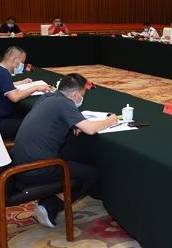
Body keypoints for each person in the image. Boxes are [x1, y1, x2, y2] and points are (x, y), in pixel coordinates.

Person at [13, 73, 116, 228]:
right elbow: (90, 129)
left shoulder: (46, 97)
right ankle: (50, 205)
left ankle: (49, 200)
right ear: (74, 94)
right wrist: (110, 120)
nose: (82, 98)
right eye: (82, 95)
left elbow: (50, 120)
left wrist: (74, 123)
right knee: (90, 174)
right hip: (37, 169)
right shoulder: (64, 103)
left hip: (19, 162)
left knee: (74, 165)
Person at [0, 46, 51, 139]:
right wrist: (36, 87)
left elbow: (2, 85)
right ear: (15, 60)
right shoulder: (3, 73)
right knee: (36, 123)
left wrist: (22, 82)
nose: (22, 66)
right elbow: (15, 97)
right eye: (22, 62)